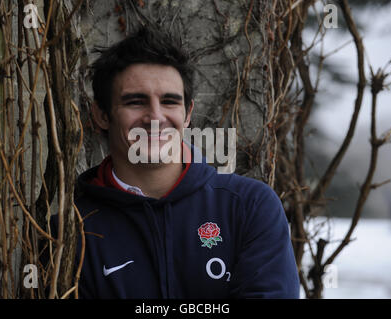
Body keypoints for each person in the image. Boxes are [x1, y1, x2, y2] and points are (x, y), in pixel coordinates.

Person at [55, 26, 300, 298]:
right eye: (136, 102)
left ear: (187, 114)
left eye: (170, 102)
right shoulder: (70, 230)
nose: (156, 117)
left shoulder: (249, 207)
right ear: (101, 115)